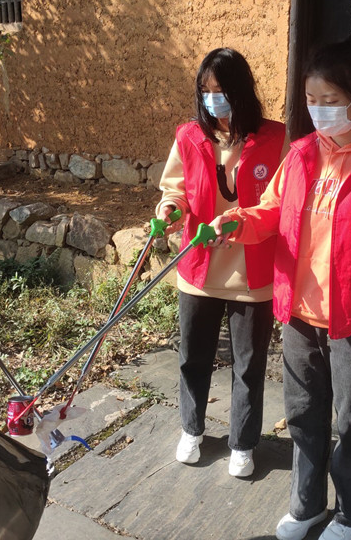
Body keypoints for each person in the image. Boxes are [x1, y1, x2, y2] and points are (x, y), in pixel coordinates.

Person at [211, 35, 351, 540]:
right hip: (299, 312)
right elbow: (270, 211)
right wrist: (236, 221)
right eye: (311, 101)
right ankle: (306, 506)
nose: (319, 111)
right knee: (304, 416)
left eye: (331, 101)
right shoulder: (304, 154)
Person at [156, 48, 287, 477]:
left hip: (253, 271)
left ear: (242, 91)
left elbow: (278, 203)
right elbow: (173, 190)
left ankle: (243, 443)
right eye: (206, 91)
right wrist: (169, 211)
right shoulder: (189, 136)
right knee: (193, 356)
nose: (214, 100)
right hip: (198, 268)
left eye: (222, 91)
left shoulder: (275, 138)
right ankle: (192, 430)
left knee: (248, 364)